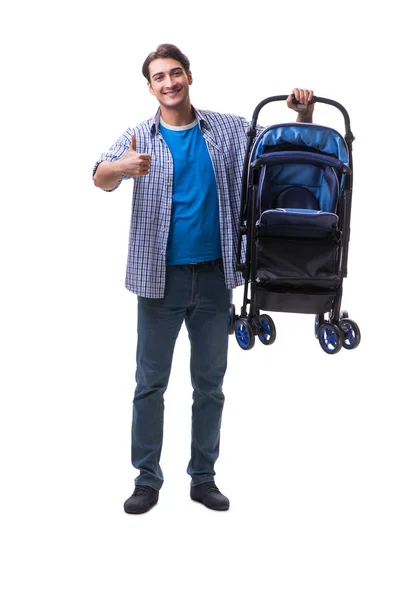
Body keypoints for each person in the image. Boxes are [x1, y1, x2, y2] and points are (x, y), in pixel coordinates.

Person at [93, 43, 315, 514]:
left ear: (189, 76)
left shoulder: (228, 130)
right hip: (160, 280)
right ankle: (147, 480)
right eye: (159, 77)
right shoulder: (139, 136)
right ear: (150, 87)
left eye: (176, 73)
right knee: (150, 384)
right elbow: (100, 176)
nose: (169, 83)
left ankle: (203, 477)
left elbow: (280, 149)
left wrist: (304, 112)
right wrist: (120, 168)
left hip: (216, 277)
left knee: (210, 384)